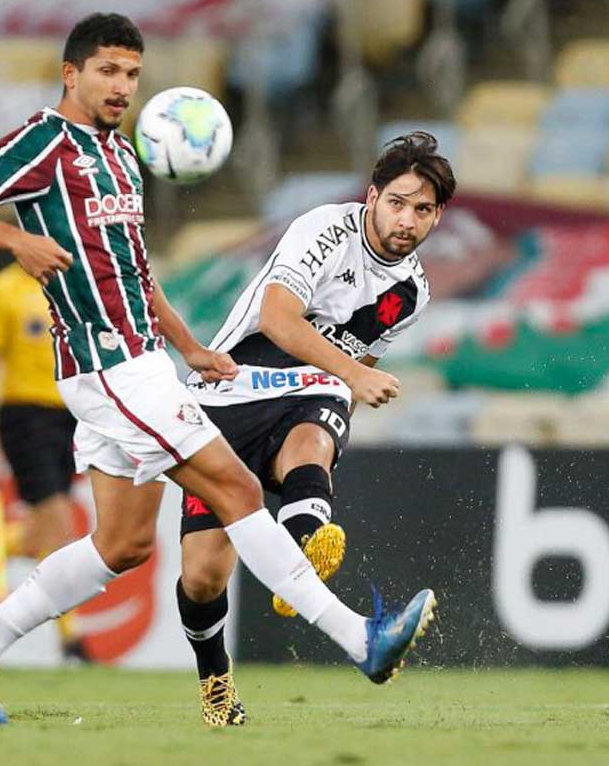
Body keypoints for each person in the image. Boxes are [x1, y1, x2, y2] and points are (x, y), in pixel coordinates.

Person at [0, 12, 438, 725]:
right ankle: (360, 639)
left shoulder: (123, 156)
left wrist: (191, 346)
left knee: (124, 543)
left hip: (143, 357)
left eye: (132, 73)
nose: (122, 86)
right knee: (233, 484)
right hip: (105, 363)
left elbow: (135, 270)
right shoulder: (45, 141)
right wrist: (18, 241)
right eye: (107, 70)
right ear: (71, 73)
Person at [177, 131, 456, 726]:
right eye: (398, 202)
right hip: (234, 385)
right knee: (202, 576)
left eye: (424, 210)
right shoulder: (325, 229)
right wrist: (351, 373)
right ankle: (216, 683)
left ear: (438, 218)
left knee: (322, 411)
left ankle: (302, 544)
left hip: (311, 393)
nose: (407, 220)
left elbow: (354, 375)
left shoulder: (413, 292)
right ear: (373, 197)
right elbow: (278, 319)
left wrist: (342, 397)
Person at [0, 261, 86, 659]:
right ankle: (72, 639)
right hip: (24, 416)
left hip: (69, 415)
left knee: (43, 534)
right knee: (59, 522)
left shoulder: (69, 284)